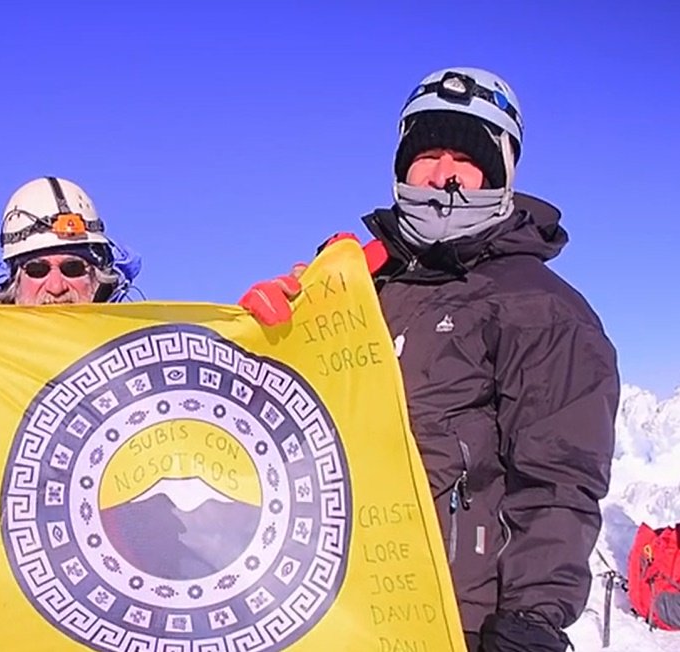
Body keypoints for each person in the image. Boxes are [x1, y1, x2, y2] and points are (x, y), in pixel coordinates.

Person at [240, 67, 619, 652]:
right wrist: (266, 339)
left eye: (466, 158)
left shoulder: (540, 308)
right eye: (427, 155)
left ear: (500, 174)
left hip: (456, 621)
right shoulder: (358, 287)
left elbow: (558, 480)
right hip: (327, 606)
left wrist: (532, 621)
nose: (444, 175)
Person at [0, 176, 140, 305]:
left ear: (98, 281)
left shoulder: (136, 334)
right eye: (37, 270)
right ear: (14, 283)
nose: (56, 288)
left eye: (73, 268)